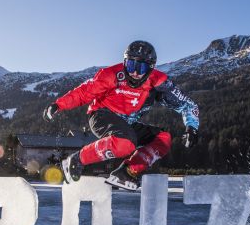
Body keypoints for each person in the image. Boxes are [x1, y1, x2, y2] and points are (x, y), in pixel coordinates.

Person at [42, 40, 200, 191]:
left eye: (142, 68)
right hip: (101, 115)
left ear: (151, 68)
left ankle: (127, 172)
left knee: (163, 139)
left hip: (127, 122)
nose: (136, 73)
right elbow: (85, 92)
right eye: (131, 66)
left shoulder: (160, 83)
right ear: (125, 62)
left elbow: (187, 104)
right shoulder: (111, 75)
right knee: (126, 143)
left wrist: (192, 128)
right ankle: (77, 159)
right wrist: (59, 104)